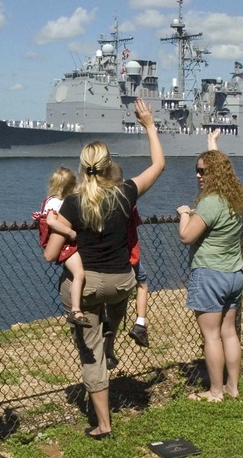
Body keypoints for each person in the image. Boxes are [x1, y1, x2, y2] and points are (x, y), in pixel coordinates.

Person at [44, 99, 164, 439]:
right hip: (122, 281)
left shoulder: (72, 202)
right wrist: (149, 125)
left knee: (90, 352)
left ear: (82, 168)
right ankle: (112, 338)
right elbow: (159, 164)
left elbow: (52, 254)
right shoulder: (126, 193)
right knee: (115, 309)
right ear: (109, 165)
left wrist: (64, 230)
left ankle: (104, 424)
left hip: (87, 286)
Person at [176, 147, 243, 401]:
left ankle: (215, 391)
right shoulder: (234, 200)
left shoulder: (210, 202)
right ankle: (233, 387)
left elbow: (187, 236)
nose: (198, 175)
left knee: (211, 336)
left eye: (202, 171)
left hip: (210, 275)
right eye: (196, 170)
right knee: (229, 332)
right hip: (234, 274)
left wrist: (185, 214)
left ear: (214, 173)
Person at [33, 167, 89, 327]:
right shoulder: (60, 203)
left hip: (54, 242)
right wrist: (70, 232)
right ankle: (76, 309)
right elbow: (51, 221)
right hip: (63, 243)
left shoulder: (49, 200)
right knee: (79, 273)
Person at [110, 162, 151, 352]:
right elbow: (137, 222)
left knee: (114, 302)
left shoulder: (103, 203)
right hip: (131, 256)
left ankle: (108, 342)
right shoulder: (128, 202)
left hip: (112, 260)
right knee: (142, 283)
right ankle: (140, 323)